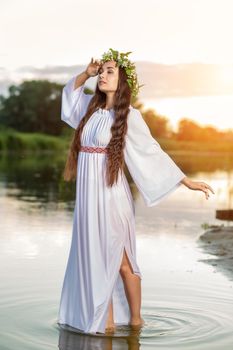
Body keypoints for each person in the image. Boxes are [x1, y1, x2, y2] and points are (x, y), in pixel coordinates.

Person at [57, 48, 214, 335]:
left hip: (111, 198)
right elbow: (68, 99)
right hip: (88, 202)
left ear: (123, 80)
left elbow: (152, 152)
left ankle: (136, 322)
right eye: (101, 71)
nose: (102, 75)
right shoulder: (90, 110)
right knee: (96, 261)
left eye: (109, 71)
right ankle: (105, 325)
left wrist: (185, 181)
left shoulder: (129, 115)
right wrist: (86, 73)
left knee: (122, 262)